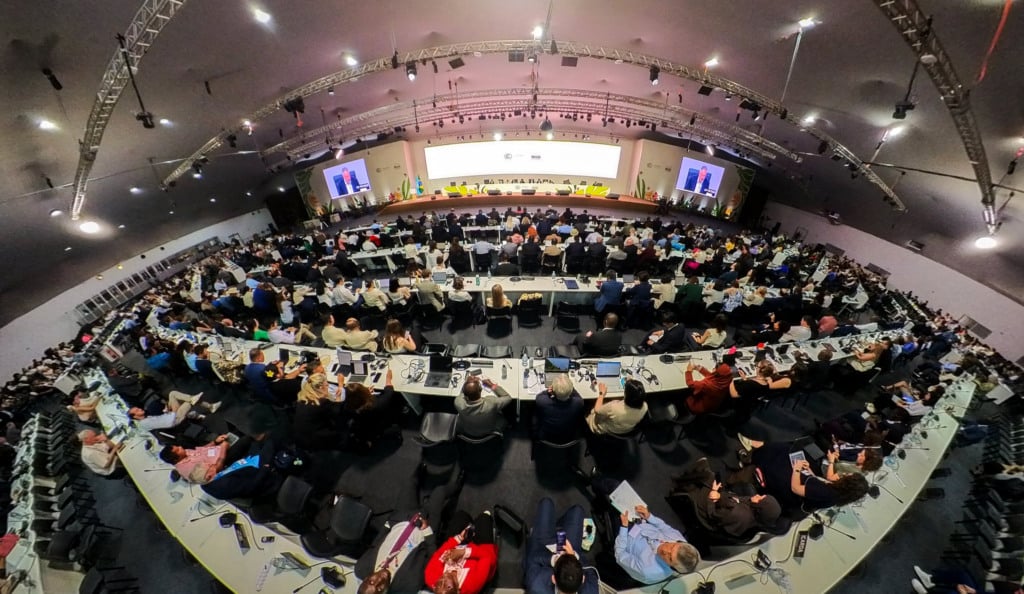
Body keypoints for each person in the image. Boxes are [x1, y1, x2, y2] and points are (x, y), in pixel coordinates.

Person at [355, 464, 464, 594]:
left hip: (400, 519)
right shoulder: (408, 586)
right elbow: (432, 559)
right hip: (425, 530)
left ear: (366, 578)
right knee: (439, 492)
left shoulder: (361, 568)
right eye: (379, 589)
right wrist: (427, 531)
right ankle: (458, 483)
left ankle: (423, 464)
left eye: (372, 581)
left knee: (409, 483)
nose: (380, 580)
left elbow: (374, 545)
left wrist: (388, 525)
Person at [730, 437, 870, 509]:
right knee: (790, 451)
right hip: (804, 481)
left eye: (847, 477)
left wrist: (797, 469)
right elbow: (823, 480)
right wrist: (809, 472)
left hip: (790, 490)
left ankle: (751, 459)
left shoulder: (826, 493)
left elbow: (795, 488)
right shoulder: (837, 492)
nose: (844, 475)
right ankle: (755, 453)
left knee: (780, 458)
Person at [670, 457, 784, 538]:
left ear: (760, 507)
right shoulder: (752, 508)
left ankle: (681, 484)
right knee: (707, 473)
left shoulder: (739, 514)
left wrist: (713, 494)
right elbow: (733, 500)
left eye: (760, 499)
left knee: (705, 473)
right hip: (719, 502)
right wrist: (719, 495)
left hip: (707, 513)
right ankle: (684, 482)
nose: (757, 495)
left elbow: (713, 514)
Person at [524, 498, 599, 594]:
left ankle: (549, 529)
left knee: (546, 503)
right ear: (582, 580)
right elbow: (590, 572)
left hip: (543, 549)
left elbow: (532, 558)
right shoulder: (591, 592)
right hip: (570, 550)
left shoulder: (536, 585)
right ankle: (558, 527)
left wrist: (553, 559)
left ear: (553, 579)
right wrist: (574, 556)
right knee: (577, 511)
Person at [614, 503, 700, 584]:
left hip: (623, 536)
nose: (665, 550)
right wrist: (649, 517)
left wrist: (624, 527)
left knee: (611, 503)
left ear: (672, 567)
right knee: (618, 491)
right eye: (672, 546)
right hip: (641, 521)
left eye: (670, 558)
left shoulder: (647, 571)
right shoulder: (680, 542)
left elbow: (620, 554)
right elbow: (663, 527)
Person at [424, 509, 498, 594]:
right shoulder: (471, 586)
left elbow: (439, 554)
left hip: (458, 546)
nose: (443, 579)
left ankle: (469, 527)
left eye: (438, 584)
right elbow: (486, 556)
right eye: (447, 586)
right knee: (484, 519)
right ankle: (477, 527)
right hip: (480, 552)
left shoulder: (431, 578)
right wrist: (464, 552)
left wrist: (458, 539)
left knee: (461, 516)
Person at [293, 371, 346, 450]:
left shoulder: (303, 398)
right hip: (317, 439)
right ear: (321, 387)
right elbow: (337, 411)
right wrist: (340, 390)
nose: (328, 386)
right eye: (326, 384)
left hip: (302, 437)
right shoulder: (321, 404)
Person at [159, 434, 233, 484]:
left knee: (231, 434)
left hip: (219, 451)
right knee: (243, 441)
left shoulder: (183, 454)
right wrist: (223, 449)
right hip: (224, 463)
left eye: (177, 447)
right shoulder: (192, 472)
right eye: (178, 450)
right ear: (175, 459)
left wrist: (215, 442)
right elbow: (217, 469)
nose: (180, 447)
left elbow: (201, 451)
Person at [129, 390, 220, 431]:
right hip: (175, 419)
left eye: (138, 408)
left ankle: (193, 408)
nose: (139, 409)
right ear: (136, 416)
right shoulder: (145, 423)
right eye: (137, 410)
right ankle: (210, 407)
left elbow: (160, 418)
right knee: (189, 403)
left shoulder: (146, 417)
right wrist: (172, 412)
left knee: (172, 394)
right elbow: (166, 423)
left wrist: (166, 410)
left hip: (170, 414)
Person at [534, 375, 586, 442]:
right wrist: (568, 387)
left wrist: (548, 392)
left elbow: (538, 396)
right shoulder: (579, 402)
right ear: (571, 390)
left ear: (553, 390)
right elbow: (576, 395)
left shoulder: (542, 401)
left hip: (547, 435)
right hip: (569, 435)